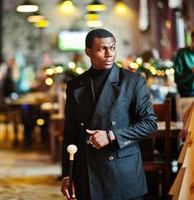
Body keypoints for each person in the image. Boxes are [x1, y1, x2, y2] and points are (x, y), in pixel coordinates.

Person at [61, 28, 157, 200]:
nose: (109, 54)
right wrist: (68, 174)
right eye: (102, 49)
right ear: (88, 52)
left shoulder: (133, 81)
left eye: (112, 47)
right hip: (87, 173)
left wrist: (111, 136)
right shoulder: (74, 85)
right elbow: (70, 133)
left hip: (122, 172)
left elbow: (150, 124)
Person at [173, 30, 194, 97]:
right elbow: (178, 80)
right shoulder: (182, 54)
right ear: (192, 40)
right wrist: (191, 72)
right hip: (187, 94)